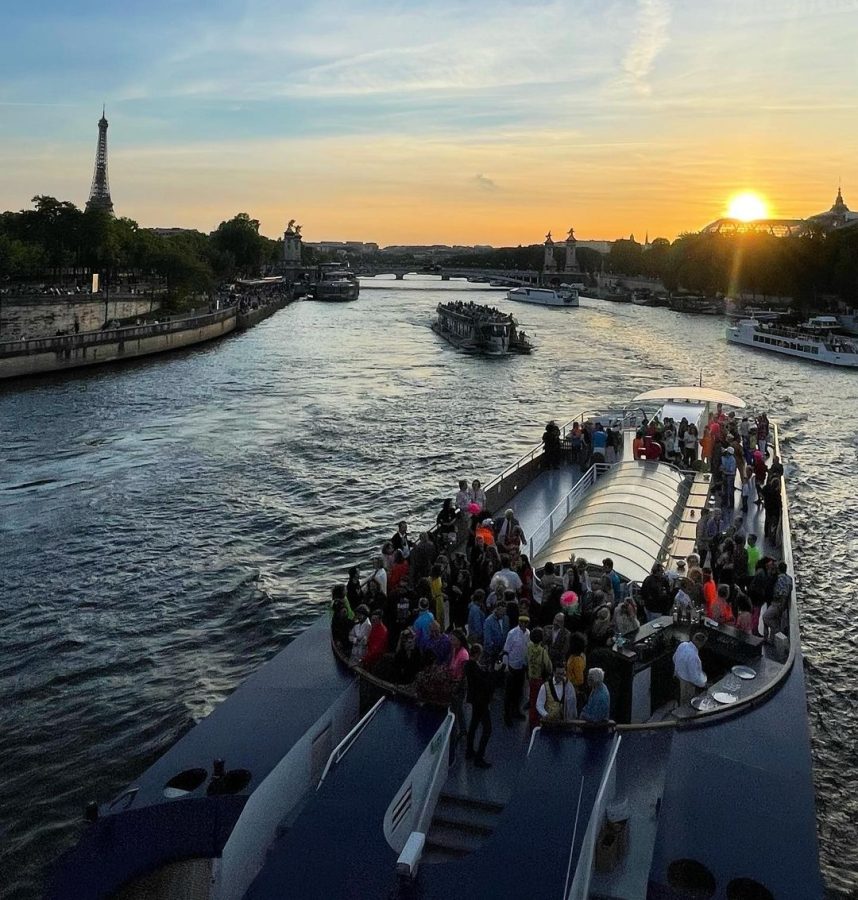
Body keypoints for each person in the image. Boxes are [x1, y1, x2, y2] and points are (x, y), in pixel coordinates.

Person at [465, 644, 494, 768]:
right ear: (478, 654)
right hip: (481, 700)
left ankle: (469, 750)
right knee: (487, 728)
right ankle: (479, 757)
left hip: (475, 699)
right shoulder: (474, 667)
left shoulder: (469, 665)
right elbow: (483, 683)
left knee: (474, 724)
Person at [502, 615, 530, 725]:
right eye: (521, 622)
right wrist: (506, 667)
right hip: (512, 667)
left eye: (525, 623)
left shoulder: (528, 633)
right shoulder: (512, 633)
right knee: (509, 693)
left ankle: (516, 711)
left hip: (521, 666)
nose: (523, 625)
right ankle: (507, 715)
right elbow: (506, 651)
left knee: (518, 691)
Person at [526, 628, 553, 726]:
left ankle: (531, 718)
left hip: (531, 677)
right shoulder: (542, 651)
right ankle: (536, 720)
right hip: (539, 678)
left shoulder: (529, 646)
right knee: (539, 700)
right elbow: (548, 666)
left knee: (532, 699)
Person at [673, 632, 708, 706]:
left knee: (678, 697)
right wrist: (703, 685)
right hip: (686, 683)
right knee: (686, 703)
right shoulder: (693, 657)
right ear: (700, 644)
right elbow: (694, 677)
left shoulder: (682, 645)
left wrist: (679, 668)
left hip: (677, 676)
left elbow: (674, 658)